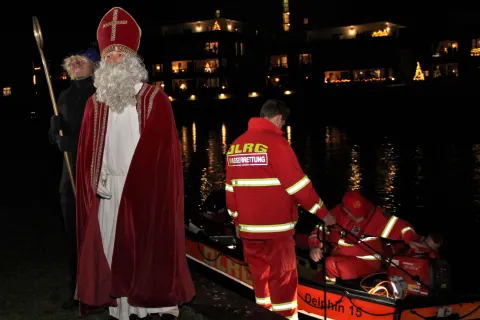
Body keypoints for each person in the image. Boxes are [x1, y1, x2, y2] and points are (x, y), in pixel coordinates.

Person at [75, 7, 195, 320]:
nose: (114, 59)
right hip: (110, 192)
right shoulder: (95, 103)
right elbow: (88, 151)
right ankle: (123, 310)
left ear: (133, 60)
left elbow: (163, 154)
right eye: (109, 54)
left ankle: (154, 307)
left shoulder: (154, 99)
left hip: (146, 190)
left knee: (146, 251)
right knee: (115, 250)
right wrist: (95, 177)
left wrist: (145, 187)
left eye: (120, 54)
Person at [225, 99, 336, 320]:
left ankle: (263, 315)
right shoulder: (276, 144)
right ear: (278, 118)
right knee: (283, 279)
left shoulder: (236, 145)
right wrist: (324, 214)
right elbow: (298, 186)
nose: (282, 129)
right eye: (283, 124)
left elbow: (230, 190)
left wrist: (236, 222)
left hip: (249, 230)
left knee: (260, 277)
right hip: (276, 229)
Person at [48, 47, 98, 310]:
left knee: (95, 234)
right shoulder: (64, 95)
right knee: (73, 236)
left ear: (94, 67)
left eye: (82, 61)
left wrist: (74, 142)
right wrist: (55, 132)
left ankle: (100, 290)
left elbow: (100, 136)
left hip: (93, 175)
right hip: (69, 178)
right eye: (72, 62)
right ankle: (77, 290)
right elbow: (57, 138)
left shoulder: (99, 94)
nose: (76, 65)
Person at [308, 190, 423, 282]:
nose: (361, 218)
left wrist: (411, 238)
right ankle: (327, 284)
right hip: (341, 256)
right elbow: (319, 230)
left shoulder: (376, 215)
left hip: (367, 263)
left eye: (362, 213)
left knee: (330, 264)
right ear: (345, 210)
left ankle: (331, 289)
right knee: (328, 263)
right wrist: (314, 246)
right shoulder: (336, 214)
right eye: (356, 215)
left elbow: (401, 226)